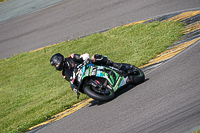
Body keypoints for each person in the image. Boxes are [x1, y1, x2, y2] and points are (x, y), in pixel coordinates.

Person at [50, 53, 122, 98]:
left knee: (95, 58)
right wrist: (73, 87)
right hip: (82, 78)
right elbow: (71, 81)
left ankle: (115, 64)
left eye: (56, 64)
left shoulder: (71, 57)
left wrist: (85, 58)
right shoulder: (64, 74)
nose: (56, 66)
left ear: (59, 60)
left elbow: (84, 55)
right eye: (54, 65)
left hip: (89, 67)